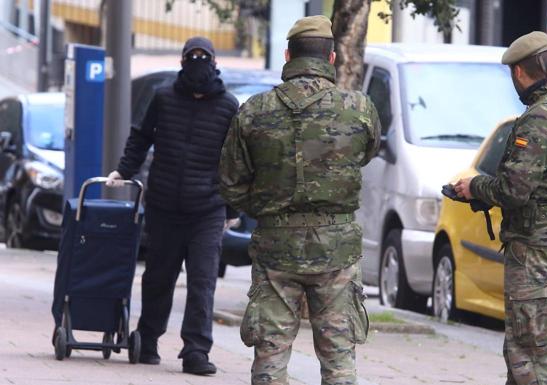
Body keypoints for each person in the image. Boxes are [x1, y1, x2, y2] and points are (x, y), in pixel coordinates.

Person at [219, 15, 381, 385]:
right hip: (337, 250)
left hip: (276, 247)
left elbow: (229, 182)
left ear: (288, 54)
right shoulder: (359, 108)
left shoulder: (255, 111)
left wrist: (266, 207)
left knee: (270, 358)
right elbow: (366, 153)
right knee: (339, 361)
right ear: (333, 58)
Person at [454, 31, 547, 385]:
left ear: (519, 73)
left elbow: (513, 190)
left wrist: (473, 187)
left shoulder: (539, 118)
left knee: (533, 348)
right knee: (525, 341)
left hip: (536, 245)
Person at [106, 36, 239, 375]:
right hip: (165, 204)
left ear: (214, 64)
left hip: (207, 209)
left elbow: (236, 160)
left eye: (204, 57)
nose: (198, 62)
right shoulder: (163, 97)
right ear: (182, 62)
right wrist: (124, 170)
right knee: (158, 278)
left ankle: (196, 351)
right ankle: (148, 340)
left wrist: (234, 210)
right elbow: (141, 136)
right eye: (191, 57)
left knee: (202, 280)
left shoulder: (228, 106)